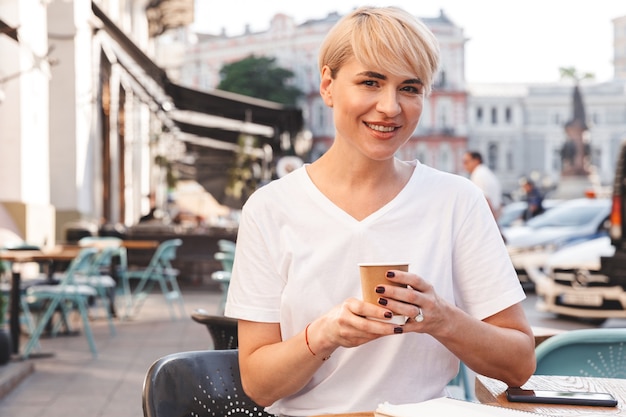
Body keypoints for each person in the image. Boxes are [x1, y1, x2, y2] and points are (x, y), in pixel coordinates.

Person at [225, 6, 535, 416]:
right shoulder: (270, 208)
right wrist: (324, 334)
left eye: (410, 88)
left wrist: (442, 318)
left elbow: (518, 365)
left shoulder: (457, 201)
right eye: (370, 82)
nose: (390, 107)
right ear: (328, 85)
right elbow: (259, 386)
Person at [462, 151, 503, 220]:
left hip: (487, 218)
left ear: (476, 161)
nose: (464, 166)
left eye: (466, 162)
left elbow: (485, 199)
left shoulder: (478, 175)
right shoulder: (485, 172)